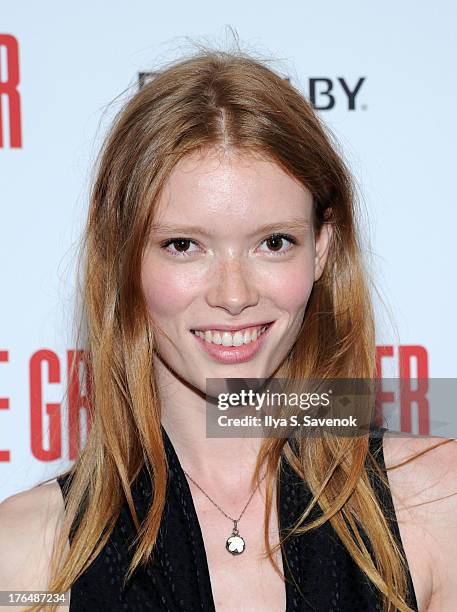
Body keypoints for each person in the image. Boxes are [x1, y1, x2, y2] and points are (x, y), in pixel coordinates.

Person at [1, 45, 457, 612]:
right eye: (184, 246)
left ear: (321, 250)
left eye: (273, 242)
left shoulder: (438, 503)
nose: (234, 295)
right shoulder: (26, 561)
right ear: (124, 258)